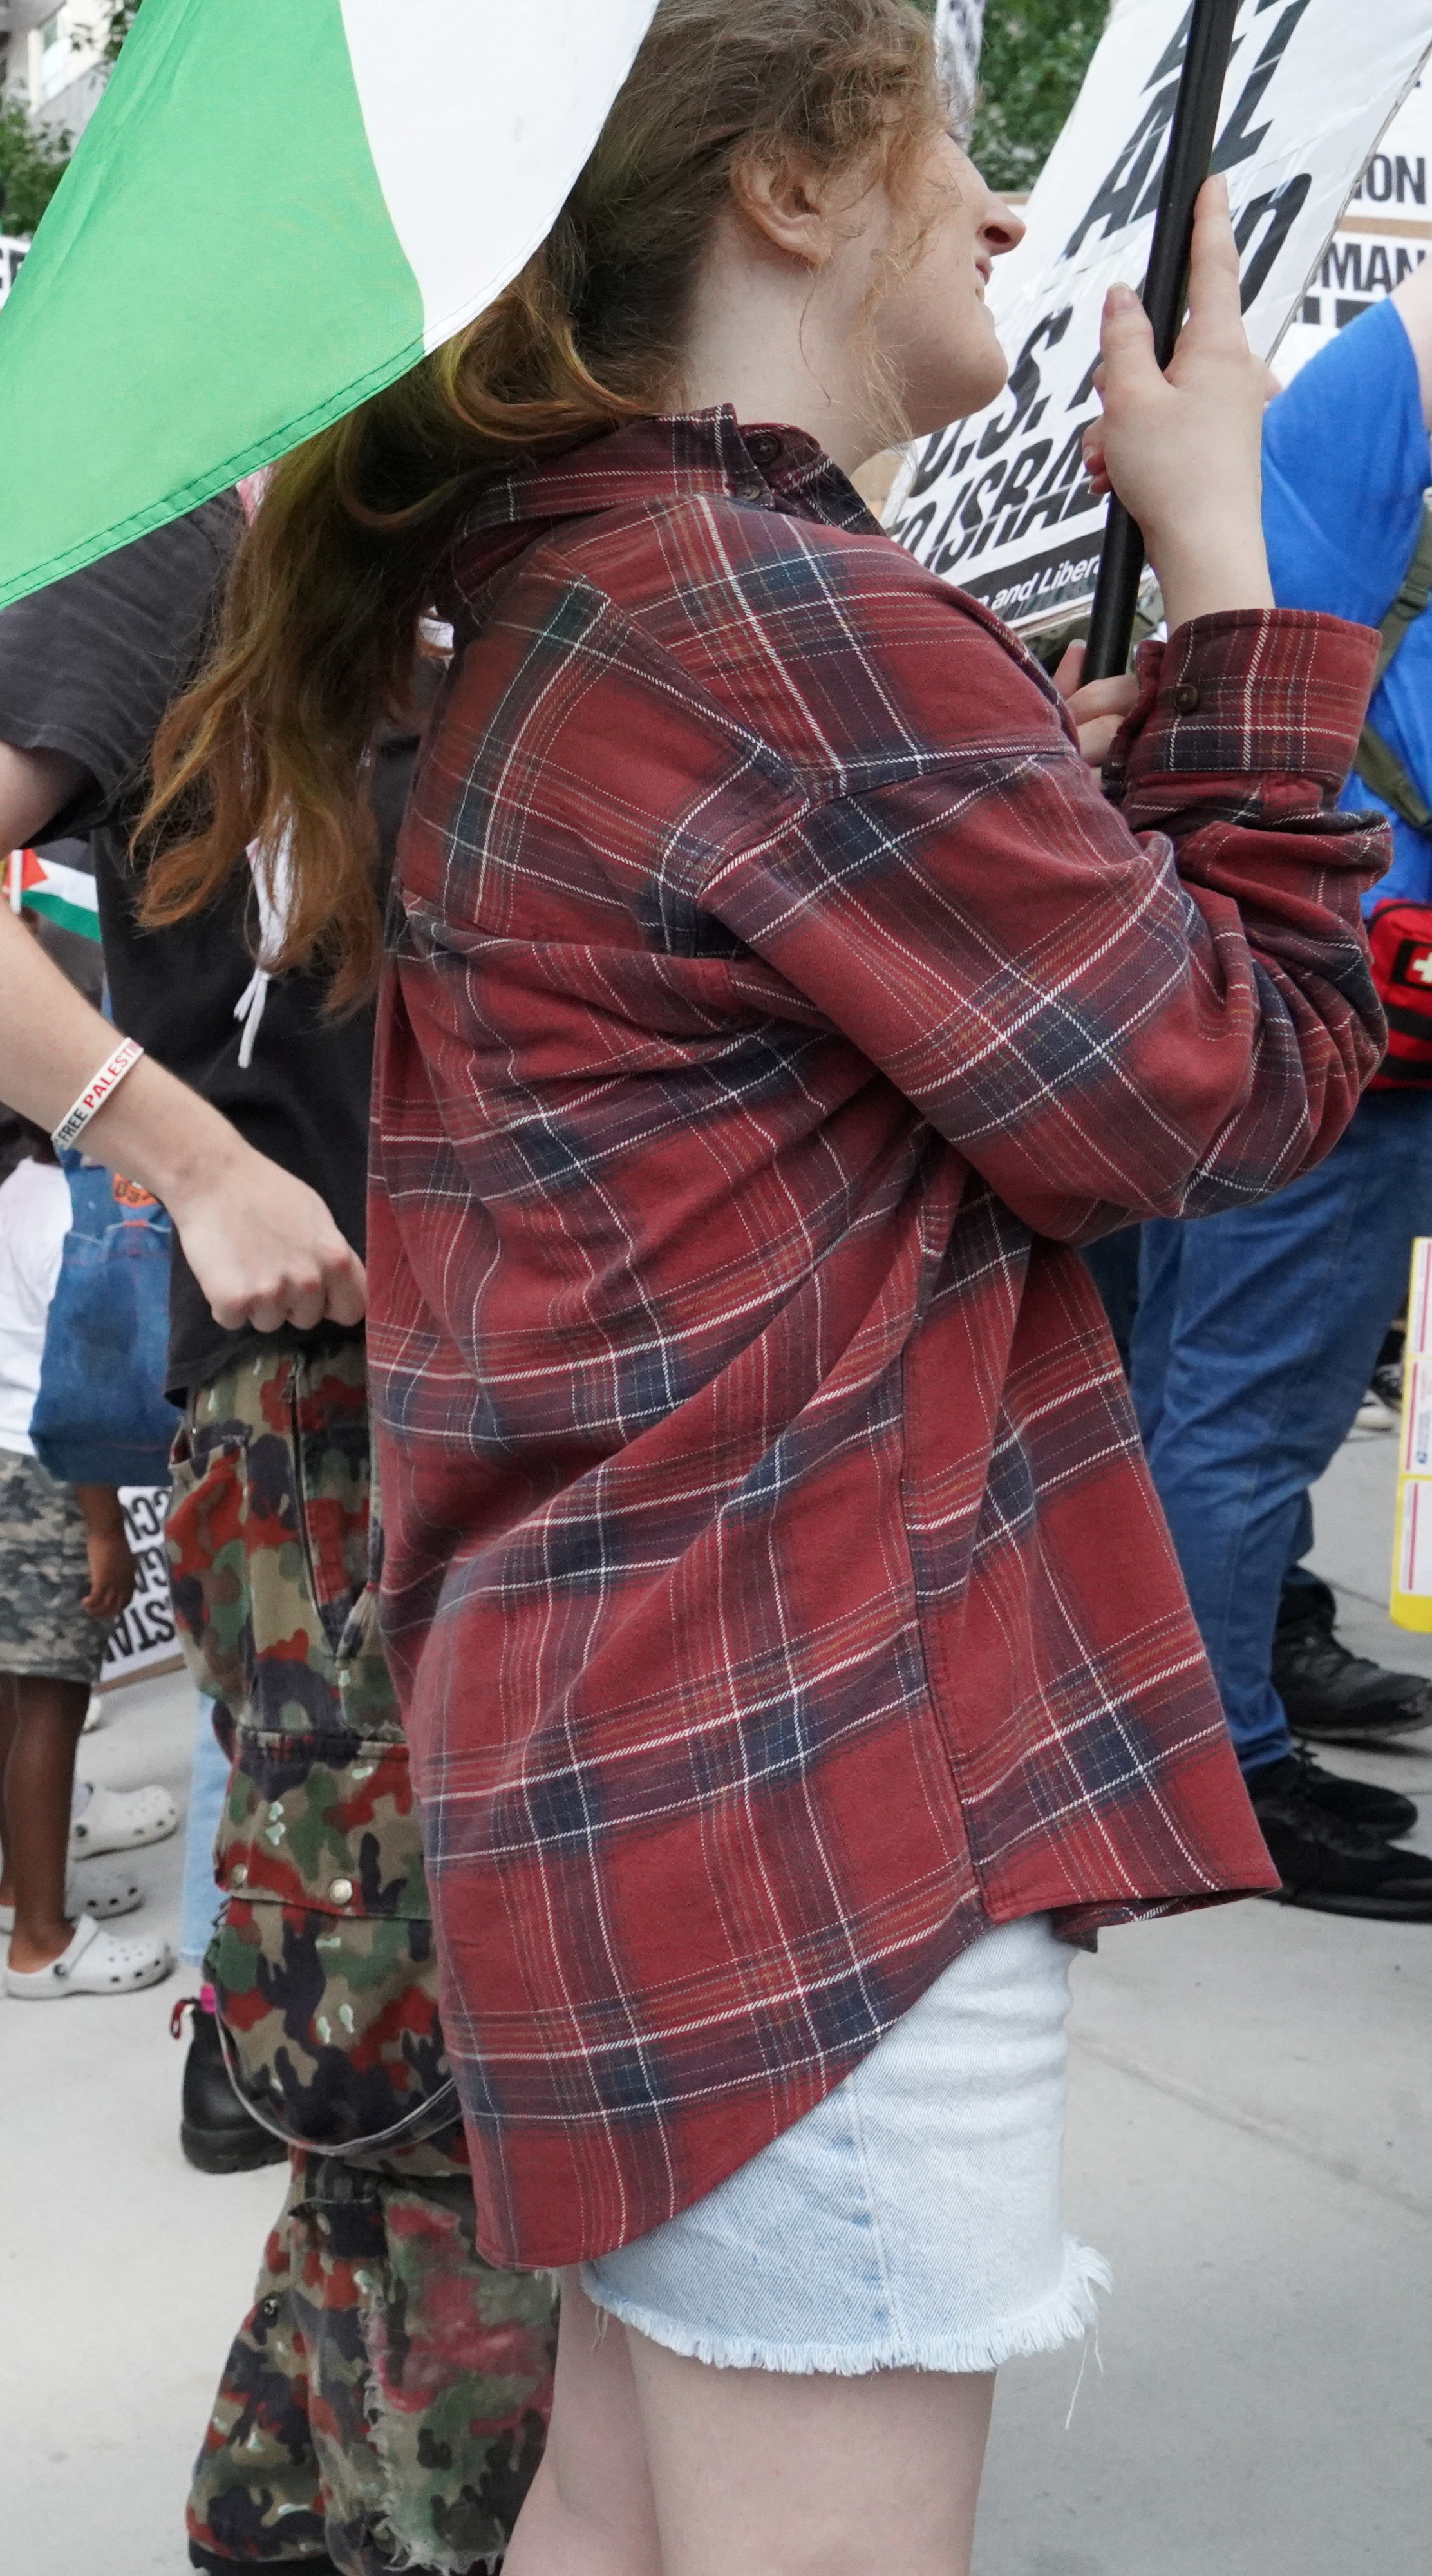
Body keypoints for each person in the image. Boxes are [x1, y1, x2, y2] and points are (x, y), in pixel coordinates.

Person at [162, 5, 1362, 2562]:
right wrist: (1233, 557)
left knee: (613, 2516)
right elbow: (1220, 1092)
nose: (1014, 219)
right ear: (787, 194)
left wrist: (1034, 777)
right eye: (948, 148)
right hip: (797, 1777)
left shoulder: (589, 595)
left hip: (630, 1760)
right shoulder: (760, 614)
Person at [0, 487, 549, 2566]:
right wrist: (190, 1155)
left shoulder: (524, 556)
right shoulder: (195, 548)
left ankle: (293, 2523)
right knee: (428, 2084)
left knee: (431, 2079)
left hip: (522, 1389)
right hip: (343, 1391)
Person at [1108, 260, 1432, 1921]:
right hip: (1353, 998)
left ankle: (1236, 1682)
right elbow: (1278, 670)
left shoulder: (1375, 399)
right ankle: (1215, 1767)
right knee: (1243, 1396)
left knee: (1223, 1381)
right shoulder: (1383, 402)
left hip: (1327, 972)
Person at [0, 1140, 169, 1998]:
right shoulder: (82, 1210)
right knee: (54, 1707)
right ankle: (41, 1943)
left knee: (13, 1686)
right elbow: (81, 1382)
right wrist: (104, 1528)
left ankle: (19, 1889)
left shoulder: (19, 1188)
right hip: (43, 1473)